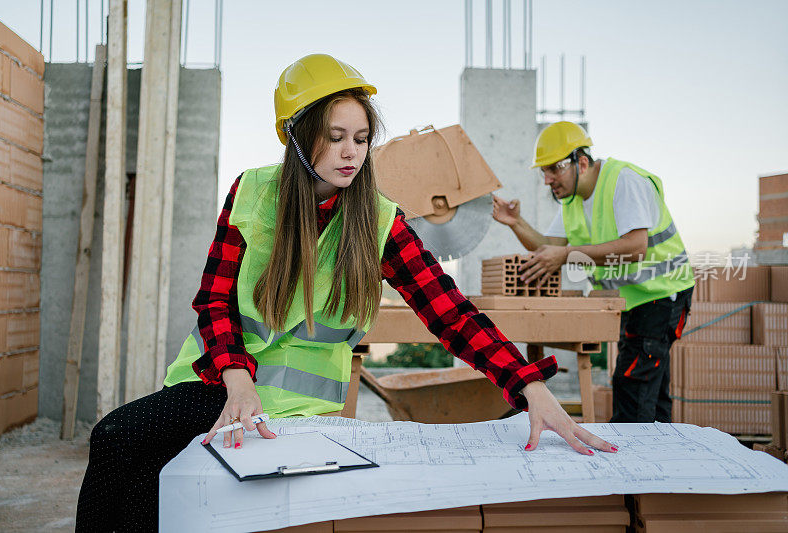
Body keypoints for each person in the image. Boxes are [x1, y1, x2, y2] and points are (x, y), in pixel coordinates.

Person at [76, 57, 616, 531]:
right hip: (223, 384)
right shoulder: (252, 192)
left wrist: (528, 385)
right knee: (119, 446)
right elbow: (214, 301)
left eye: (360, 139)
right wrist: (237, 383)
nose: (350, 153)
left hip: (303, 408)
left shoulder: (380, 222)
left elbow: (448, 310)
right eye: (334, 136)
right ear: (296, 133)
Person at [492, 121, 694, 424]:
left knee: (632, 387)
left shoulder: (624, 180)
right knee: (650, 391)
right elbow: (550, 248)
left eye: (553, 170)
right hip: (633, 301)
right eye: (543, 172)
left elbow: (636, 246)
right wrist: (515, 222)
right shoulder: (572, 201)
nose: (547, 180)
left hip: (662, 296)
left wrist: (566, 254)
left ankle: (630, 463)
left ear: (581, 162)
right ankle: (659, 457)